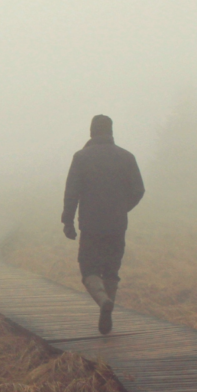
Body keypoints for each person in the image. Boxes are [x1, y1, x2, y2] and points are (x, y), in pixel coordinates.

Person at [62, 114, 145, 334]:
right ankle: (108, 304)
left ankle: (102, 300)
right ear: (111, 132)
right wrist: (122, 208)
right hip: (117, 224)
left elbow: (72, 193)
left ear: (91, 132)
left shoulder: (81, 157)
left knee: (88, 267)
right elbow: (139, 190)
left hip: (90, 224)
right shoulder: (127, 157)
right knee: (111, 270)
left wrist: (68, 221)